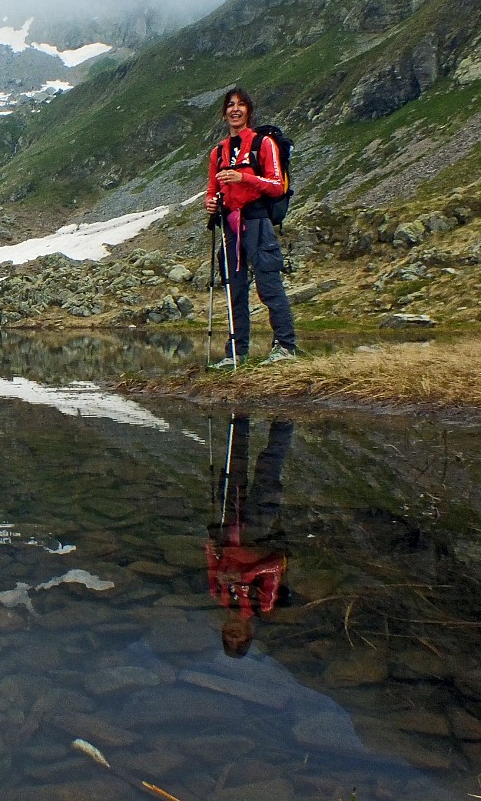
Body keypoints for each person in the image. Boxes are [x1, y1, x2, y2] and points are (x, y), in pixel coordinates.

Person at [204, 88, 297, 368]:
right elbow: (212, 188)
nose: (235, 109)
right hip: (230, 226)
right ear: (224, 113)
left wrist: (244, 177)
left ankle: (285, 347)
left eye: (241, 105)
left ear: (249, 112)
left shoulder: (263, 143)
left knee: (269, 285)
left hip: (257, 221)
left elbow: (276, 185)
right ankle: (236, 353)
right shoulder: (217, 152)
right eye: (230, 105)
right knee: (235, 289)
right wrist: (211, 203)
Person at [206, 414, 294, 657]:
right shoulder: (263, 604)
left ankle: (240, 417)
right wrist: (246, 575)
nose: (233, 634)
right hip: (260, 532)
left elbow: (212, 563)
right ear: (249, 634)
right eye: (239, 638)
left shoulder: (218, 595)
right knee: (268, 471)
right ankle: (283, 421)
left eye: (228, 637)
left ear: (222, 629)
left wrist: (211, 548)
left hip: (228, 526)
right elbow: (277, 565)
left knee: (234, 468)